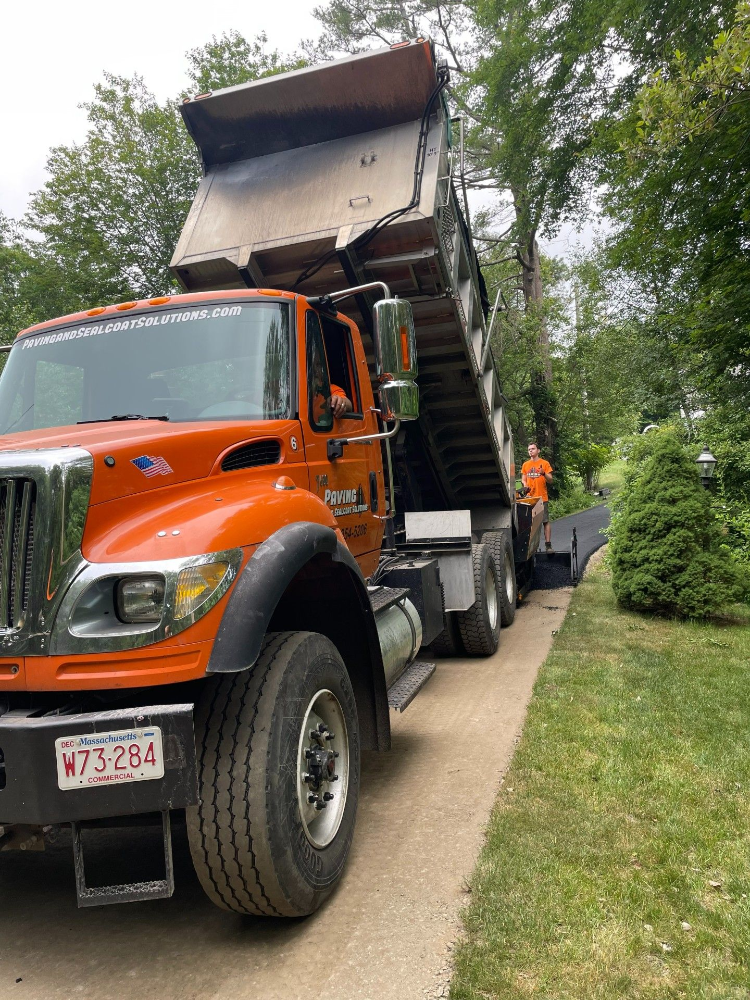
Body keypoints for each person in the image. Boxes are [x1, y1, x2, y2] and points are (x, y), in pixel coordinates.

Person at [521, 442, 553, 551]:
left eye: (533, 449)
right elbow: (523, 479)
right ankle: (532, 548)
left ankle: (548, 545)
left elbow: (550, 480)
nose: (530, 451)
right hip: (530, 499)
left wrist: (544, 473)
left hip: (542, 497)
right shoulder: (525, 465)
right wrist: (525, 486)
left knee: (545, 521)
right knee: (531, 524)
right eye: (529, 449)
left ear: (538, 450)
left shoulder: (544, 463)